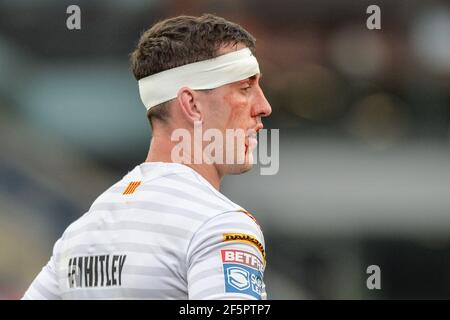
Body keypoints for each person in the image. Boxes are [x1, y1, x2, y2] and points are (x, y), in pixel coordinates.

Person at [23, 13, 272, 300]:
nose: (263, 106)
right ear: (191, 104)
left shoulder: (81, 233)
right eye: (245, 88)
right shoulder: (220, 224)